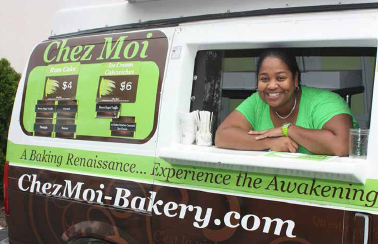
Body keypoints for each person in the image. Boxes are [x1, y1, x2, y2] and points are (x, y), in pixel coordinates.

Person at [215, 49, 357, 156]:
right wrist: (269, 142)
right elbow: (222, 136)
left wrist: (288, 130)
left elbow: (342, 145)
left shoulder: (325, 101)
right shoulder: (258, 100)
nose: (271, 86)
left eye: (281, 78)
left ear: (295, 79)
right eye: (264, 79)